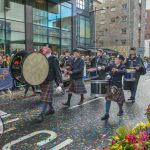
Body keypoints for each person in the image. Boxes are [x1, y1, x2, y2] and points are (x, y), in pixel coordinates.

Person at [37, 44, 63, 120]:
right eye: (42, 49)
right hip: (42, 81)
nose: (42, 50)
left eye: (44, 49)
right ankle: (51, 109)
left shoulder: (54, 59)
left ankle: (41, 114)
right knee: (47, 97)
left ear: (48, 51)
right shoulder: (42, 59)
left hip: (48, 81)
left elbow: (57, 72)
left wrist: (60, 84)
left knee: (44, 98)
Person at [101, 55, 126, 120]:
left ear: (120, 60)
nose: (115, 60)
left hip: (117, 85)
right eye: (115, 59)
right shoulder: (112, 65)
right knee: (108, 98)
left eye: (116, 59)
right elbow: (107, 68)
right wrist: (103, 67)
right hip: (110, 84)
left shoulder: (122, 66)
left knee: (119, 100)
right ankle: (107, 114)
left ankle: (121, 110)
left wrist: (117, 70)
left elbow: (124, 72)